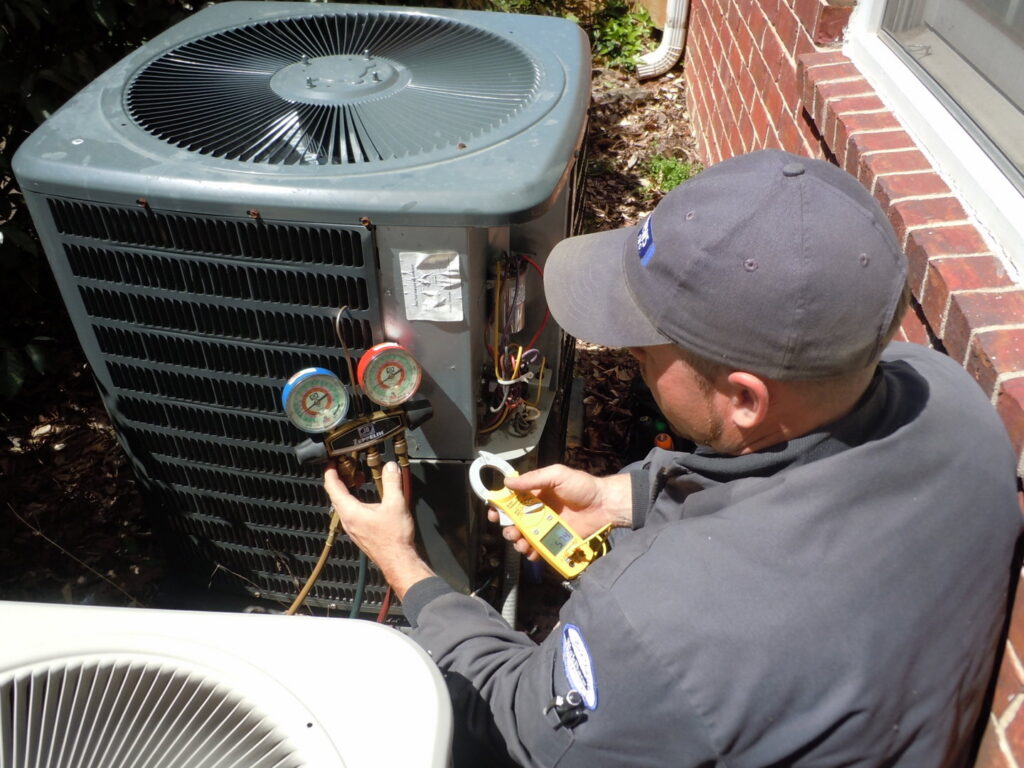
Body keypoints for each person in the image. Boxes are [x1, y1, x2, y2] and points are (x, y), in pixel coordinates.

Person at [325, 149, 1022, 767]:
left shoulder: (663, 632)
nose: (630, 361)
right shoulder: (953, 398)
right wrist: (622, 496)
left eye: (643, 353)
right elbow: (784, 465)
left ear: (746, 399)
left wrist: (406, 567)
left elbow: (518, 726)